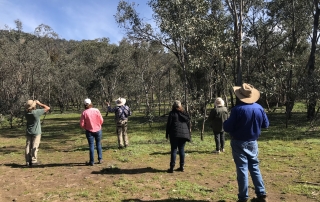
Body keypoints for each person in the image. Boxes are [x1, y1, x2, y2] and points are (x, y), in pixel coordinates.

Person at [223, 83, 269, 202]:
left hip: (238, 142)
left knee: (242, 168)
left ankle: (243, 196)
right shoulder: (259, 108)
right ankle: (261, 192)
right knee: (254, 166)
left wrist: (226, 123)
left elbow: (227, 127)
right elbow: (266, 124)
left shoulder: (237, 110)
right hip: (253, 141)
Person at [166, 100, 191, 173]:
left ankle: (172, 167)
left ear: (173, 106)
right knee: (181, 149)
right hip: (183, 134)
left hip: (174, 134)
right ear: (180, 106)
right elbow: (188, 124)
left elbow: (169, 125)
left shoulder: (172, 114)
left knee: (174, 150)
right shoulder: (184, 114)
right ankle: (182, 166)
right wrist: (188, 134)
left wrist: (167, 134)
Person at [25, 100, 50, 166]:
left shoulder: (26, 113)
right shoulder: (36, 112)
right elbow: (47, 108)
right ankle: (34, 161)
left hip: (29, 131)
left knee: (28, 146)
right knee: (35, 146)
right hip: (36, 132)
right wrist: (39, 103)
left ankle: (28, 161)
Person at [80, 98, 104, 166]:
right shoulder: (96, 110)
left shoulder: (84, 112)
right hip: (98, 130)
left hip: (89, 131)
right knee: (98, 144)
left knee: (91, 145)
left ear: (84, 105)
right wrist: (98, 125)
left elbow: (82, 124)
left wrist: (86, 127)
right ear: (91, 103)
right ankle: (100, 159)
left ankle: (92, 161)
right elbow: (101, 120)